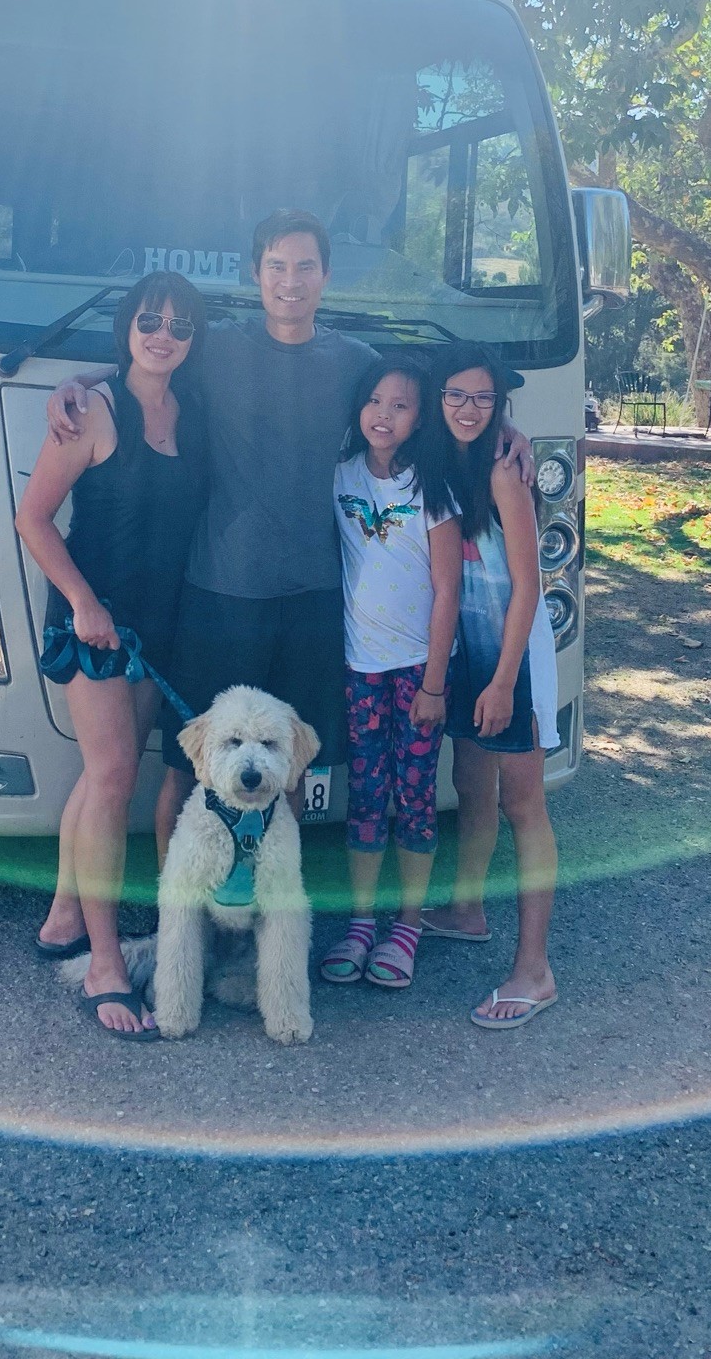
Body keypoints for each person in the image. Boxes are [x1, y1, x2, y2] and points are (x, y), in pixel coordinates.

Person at [46, 209, 534, 853]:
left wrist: (503, 424)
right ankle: (181, 924)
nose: (291, 280)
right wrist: (76, 382)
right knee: (190, 773)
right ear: (256, 274)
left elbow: (424, 402)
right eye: (277, 266)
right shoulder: (216, 346)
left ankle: (266, 913)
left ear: (327, 276)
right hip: (217, 596)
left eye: (306, 266)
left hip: (313, 600)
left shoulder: (355, 361)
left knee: (288, 770)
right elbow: (148, 366)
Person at [14, 272, 207, 1039]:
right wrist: (85, 603)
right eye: (149, 320)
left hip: (158, 625)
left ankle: (64, 916)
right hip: (92, 624)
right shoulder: (91, 413)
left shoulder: (192, 411)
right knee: (116, 777)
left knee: (104, 776)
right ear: (128, 324)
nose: (163, 334)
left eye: (179, 325)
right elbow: (33, 520)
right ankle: (102, 963)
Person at [420, 343, 562, 1030]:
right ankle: (466, 908)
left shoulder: (505, 474)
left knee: (522, 805)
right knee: (472, 785)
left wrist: (506, 681)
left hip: (513, 654)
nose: (468, 409)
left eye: (483, 398)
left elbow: (529, 587)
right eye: (456, 395)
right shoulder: (446, 461)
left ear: (498, 405)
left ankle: (534, 970)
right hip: (471, 649)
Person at [319, 358, 462, 991]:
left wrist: (434, 683)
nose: (383, 413)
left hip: (418, 673)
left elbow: (447, 588)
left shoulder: (432, 485)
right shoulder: (340, 476)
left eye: (399, 405)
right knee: (367, 796)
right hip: (361, 668)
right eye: (374, 400)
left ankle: (406, 925)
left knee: (416, 797)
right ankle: (360, 922)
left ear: (419, 416)